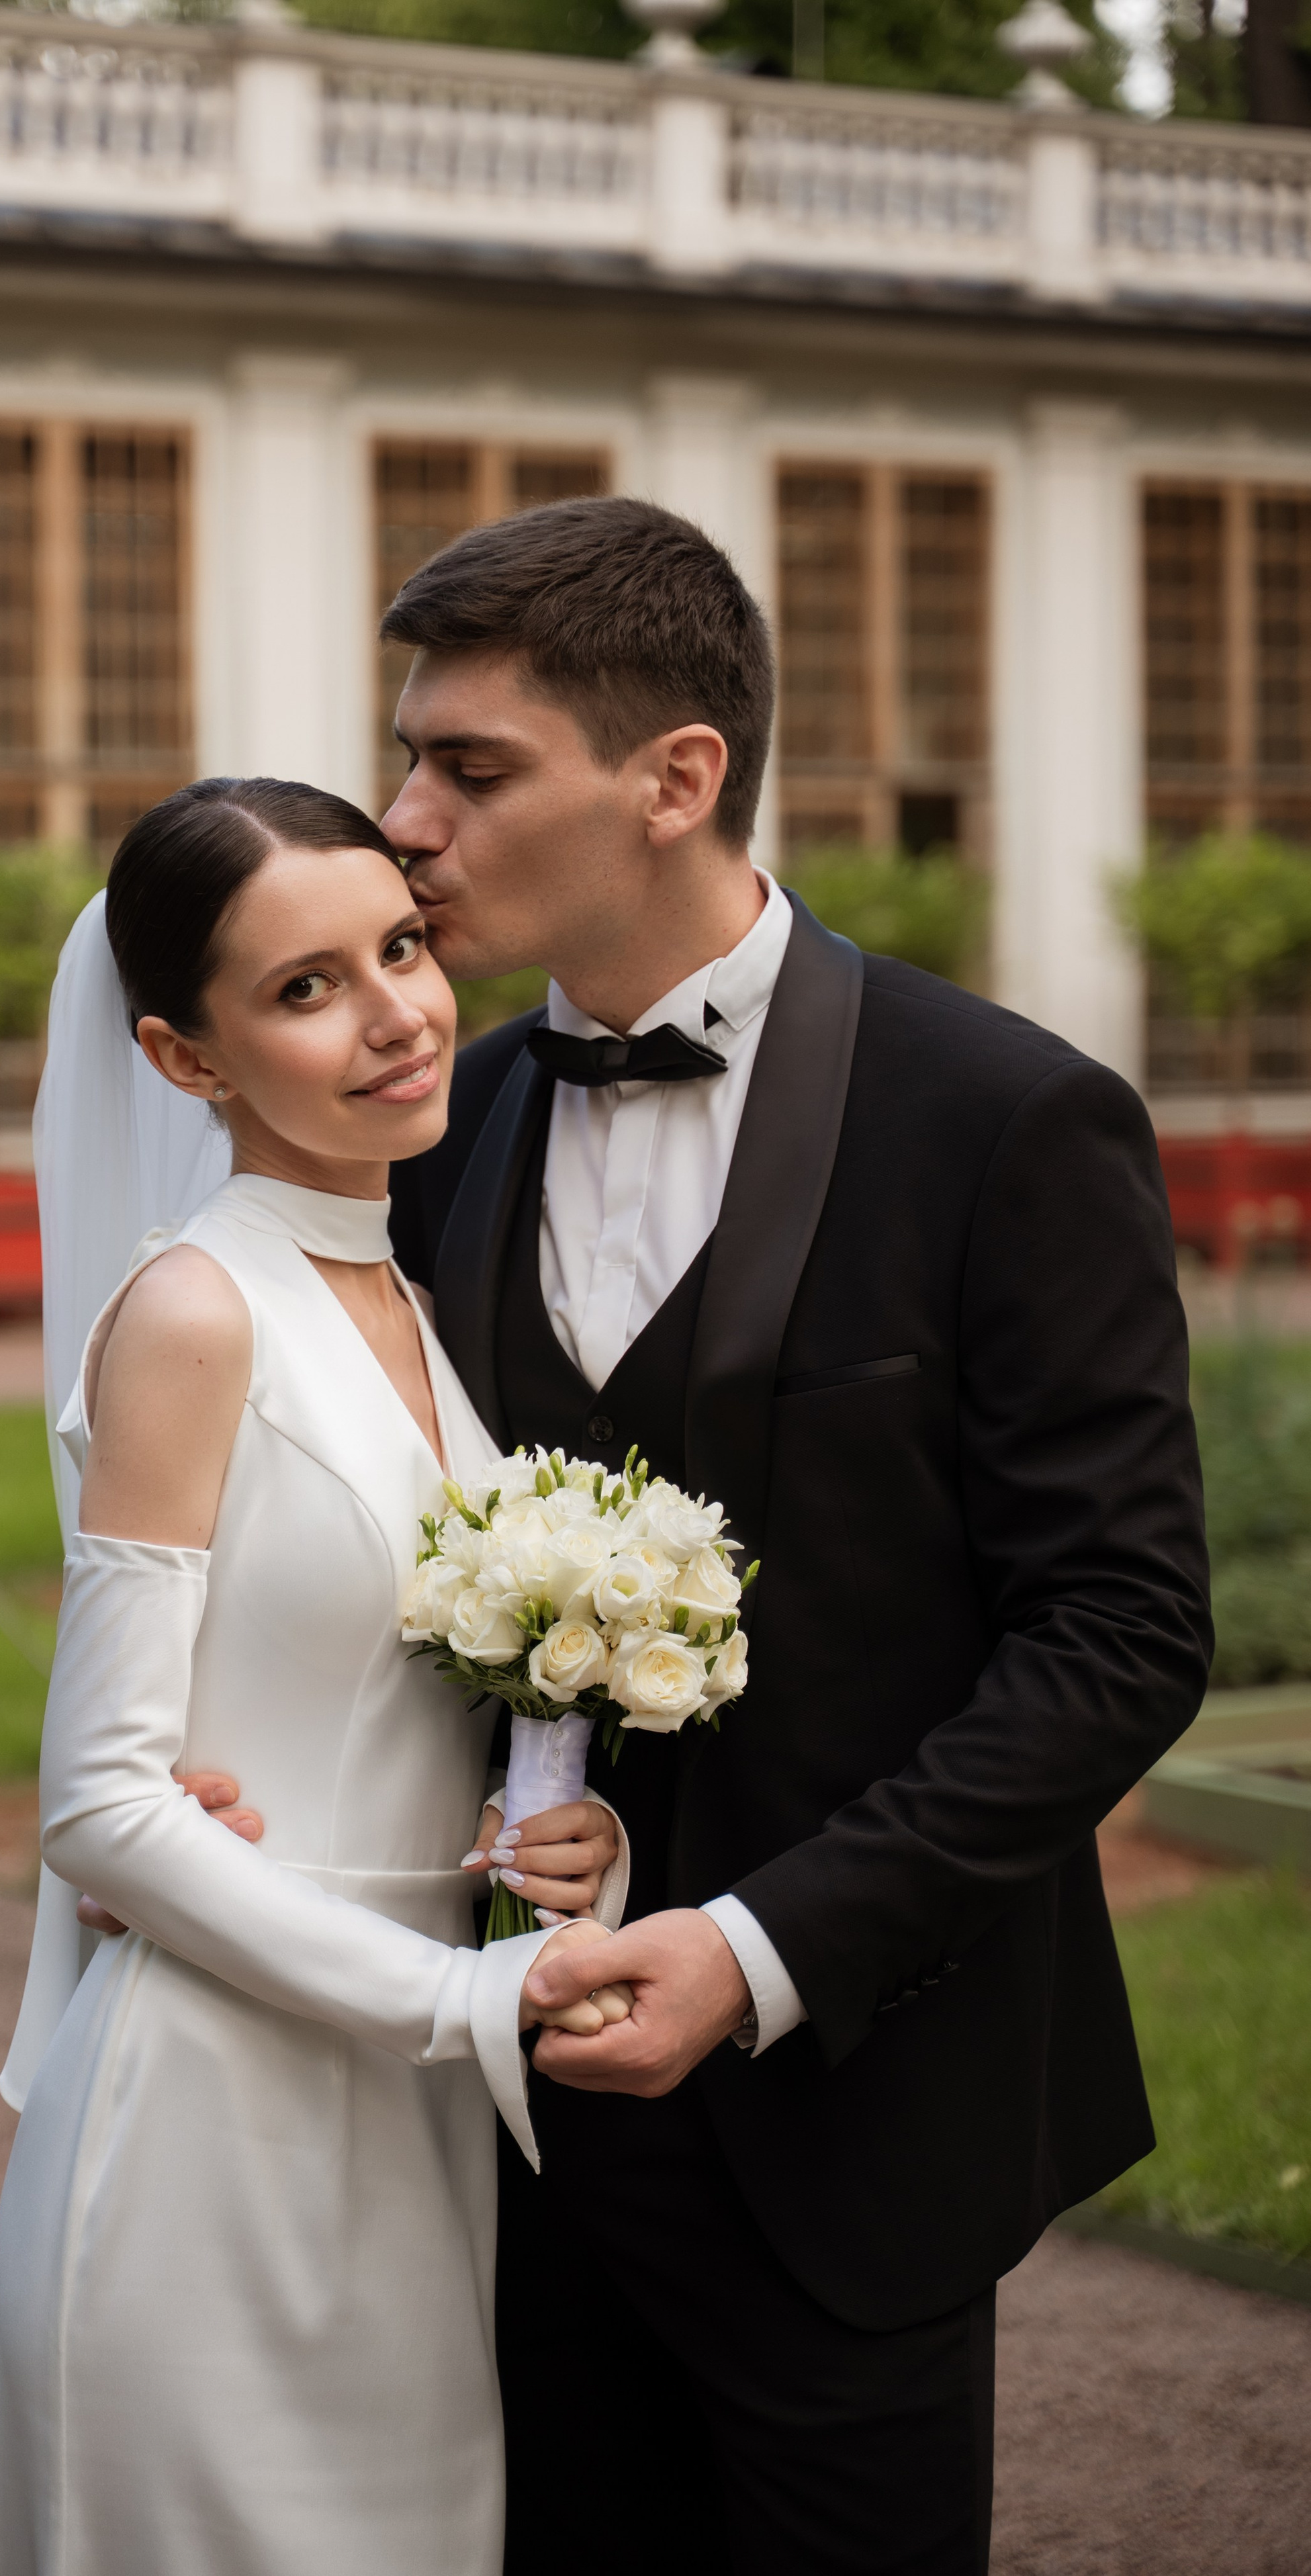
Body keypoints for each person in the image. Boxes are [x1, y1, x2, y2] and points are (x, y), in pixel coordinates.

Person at [370, 496, 1213, 2573]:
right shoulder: (441, 1127)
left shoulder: (1006, 1118)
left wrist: (756, 1954)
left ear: (676, 778)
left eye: (471, 768)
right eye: (407, 762)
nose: (406, 823)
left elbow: (1117, 1628)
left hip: (861, 2111)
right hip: (503, 2119)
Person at [0, 778, 630, 2576]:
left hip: (413, 2127)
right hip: (214, 2117)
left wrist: (558, 1843)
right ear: (187, 1059)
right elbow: (104, 1805)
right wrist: (462, 1999)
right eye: (307, 988)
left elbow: (395, 1707)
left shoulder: (415, 1305)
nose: (396, 1013)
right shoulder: (198, 1311)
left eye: (399, 948)